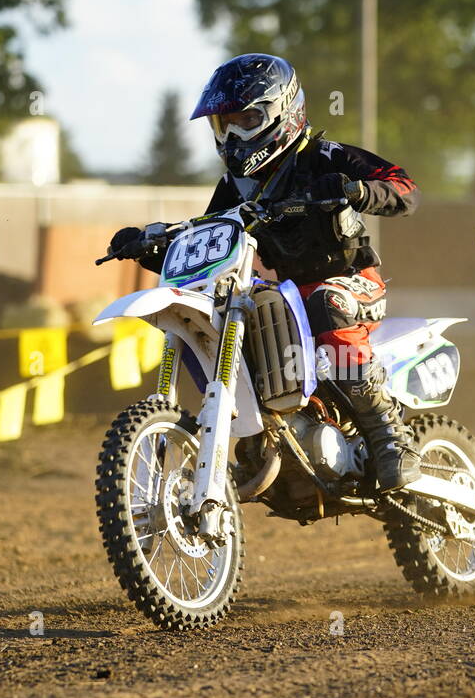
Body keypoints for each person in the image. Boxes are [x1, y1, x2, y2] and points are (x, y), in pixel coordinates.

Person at [108, 54, 422, 491]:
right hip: (287, 291)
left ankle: (391, 436)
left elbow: (404, 188)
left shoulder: (323, 156)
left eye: (246, 119)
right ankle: (259, 433)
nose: (233, 134)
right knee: (241, 310)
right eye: (224, 124)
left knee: (324, 300)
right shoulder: (234, 186)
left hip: (352, 284)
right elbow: (212, 241)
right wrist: (152, 248)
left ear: (283, 112)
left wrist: (358, 190)